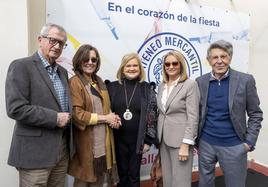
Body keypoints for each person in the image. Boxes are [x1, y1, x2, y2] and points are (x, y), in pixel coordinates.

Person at [5, 23, 74, 187]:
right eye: (53, 40)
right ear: (40, 40)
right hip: (34, 154)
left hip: (61, 151)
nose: (57, 46)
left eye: (62, 44)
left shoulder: (62, 72)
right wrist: (55, 118)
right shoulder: (21, 66)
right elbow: (16, 108)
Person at [196, 40, 263, 187]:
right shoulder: (200, 82)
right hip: (206, 144)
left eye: (224, 56)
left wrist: (248, 143)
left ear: (230, 58)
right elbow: (198, 112)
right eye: (215, 57)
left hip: (235, 146)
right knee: (204, 184)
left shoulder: (245, 80)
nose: (219, 61)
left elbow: (255, 114)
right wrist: (198, 141)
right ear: (209, 60)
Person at [67, 44, 120, 187]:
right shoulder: (75, 82)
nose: (90, 62)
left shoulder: (99, 81)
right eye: (86, 59)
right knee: (82, 182)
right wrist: (105, 118)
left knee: (98, 182)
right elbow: (78, 115)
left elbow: (105, 107)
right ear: (79, 60)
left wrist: (113, 118)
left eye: (94, 60)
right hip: (85, 146)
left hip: (103, 146)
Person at [106, 53, 158, 187]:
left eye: (135, 65)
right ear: (122, 69)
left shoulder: (147, 88)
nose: (132, 68)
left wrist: (147, 141)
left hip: (138, 142)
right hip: (117, 140)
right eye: (128, 65)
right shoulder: (111, 87)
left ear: (140, 69)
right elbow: (106, 112)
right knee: (121, 175)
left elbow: (152, 115)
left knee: (134, 176)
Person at [157, 50, 200, 187]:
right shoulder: (162, 85)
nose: (171, 66)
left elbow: (193, 117)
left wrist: (186, 144)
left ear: (181, 64)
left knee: (180, 182)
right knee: (168, 180)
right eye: (167, 64)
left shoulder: (189, 84)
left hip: (181, 141)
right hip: (163, 139)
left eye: (174, 63)